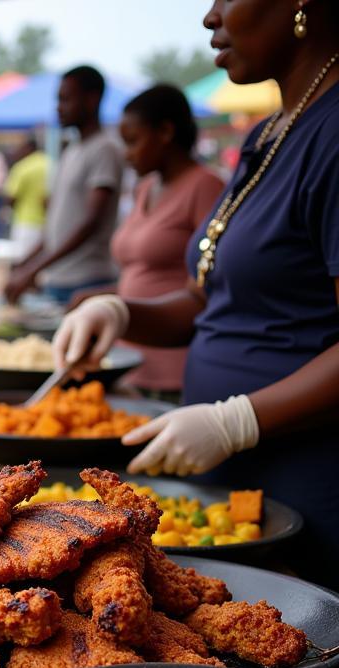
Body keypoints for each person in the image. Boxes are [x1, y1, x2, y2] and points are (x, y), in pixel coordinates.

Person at [52, 0, 339, 583]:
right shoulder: (268, 134)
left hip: (309, 491)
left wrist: (239, 420)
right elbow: (211, 299)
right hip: (227, 488)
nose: (210, 17)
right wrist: (119, 311)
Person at [73, 85, 223, 399]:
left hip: (174, 367)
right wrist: (104, 298)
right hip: (129, 360)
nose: (126, 154)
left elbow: (208, 287)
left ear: (166, 132)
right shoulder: (145, 189)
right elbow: (146, 274)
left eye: (133, 142)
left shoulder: (205, 188)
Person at [5, 66, 124, 306]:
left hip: (87, 280)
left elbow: (91, 222)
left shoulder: (105, 149)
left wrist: (34, 268)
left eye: (66, 99)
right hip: (58, 280)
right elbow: (56, 227)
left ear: (92, 100)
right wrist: (26, 263)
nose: (59, 107)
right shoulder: (72, 151)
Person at [3, 135, 51, 262]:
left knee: (23, 263)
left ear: (29, 148)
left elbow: (10, 198)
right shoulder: (51, 163)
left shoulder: (22, 167)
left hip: (26, 223)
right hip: (48, 223)